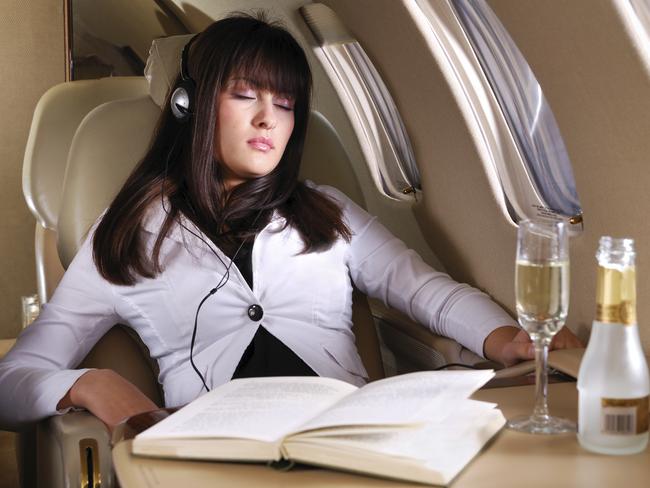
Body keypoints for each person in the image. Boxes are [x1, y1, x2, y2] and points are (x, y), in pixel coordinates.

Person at [0, 13, 581, 432]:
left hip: (352, 437)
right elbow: (14, 378)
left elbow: (426, 291)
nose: (266, 119)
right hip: (215, 450)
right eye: (245, 94)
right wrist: (91, 383)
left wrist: (507, 336)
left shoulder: (327, 211)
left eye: (283, 103)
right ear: (191, 105)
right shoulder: (126, 233)